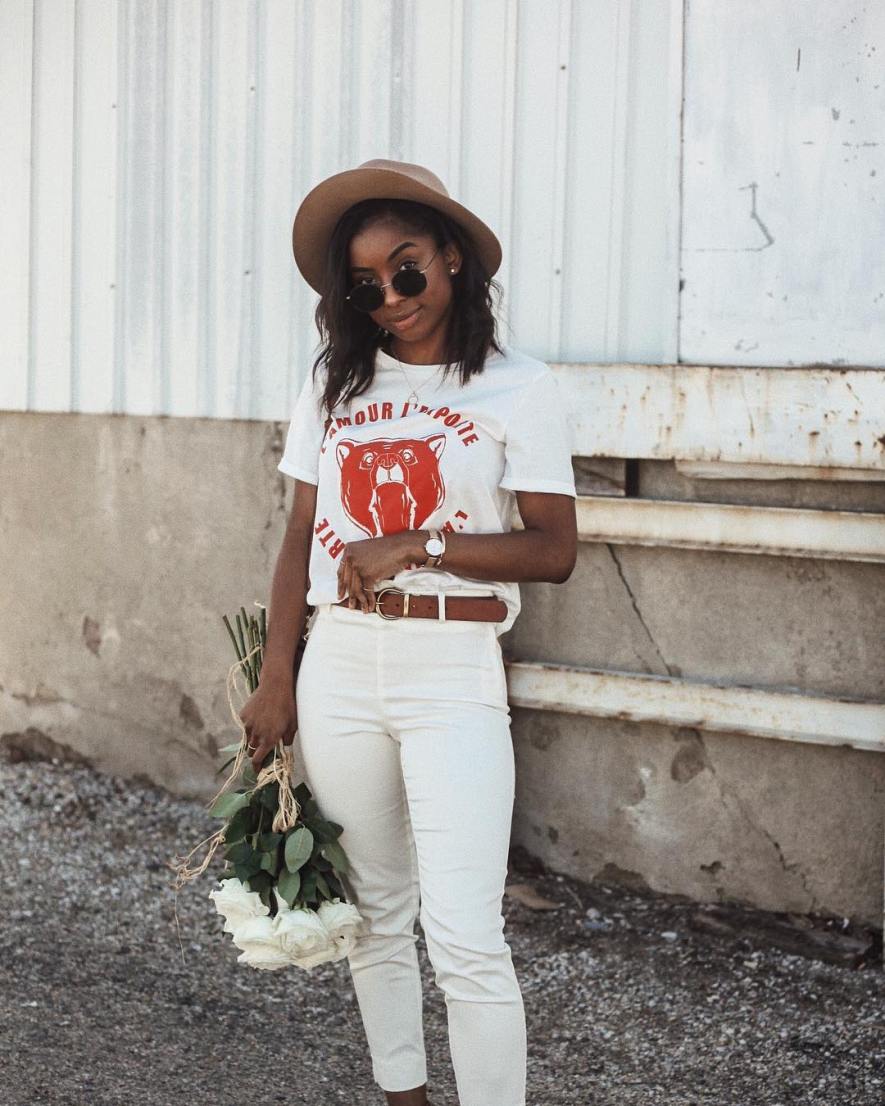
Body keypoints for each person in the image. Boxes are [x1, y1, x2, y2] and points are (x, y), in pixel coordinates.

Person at [239, 158, 577, 1106]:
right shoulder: (334, 386)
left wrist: (418, 541)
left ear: (455, 260)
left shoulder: (518, 388)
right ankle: (402, 1096)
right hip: (340, 665)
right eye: (365, 283)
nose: (389, 296)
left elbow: (554, 550)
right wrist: (276, 678)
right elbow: (299, 537)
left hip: (449, 665)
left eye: (408, 268)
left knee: (466, 932)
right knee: (375, 915)